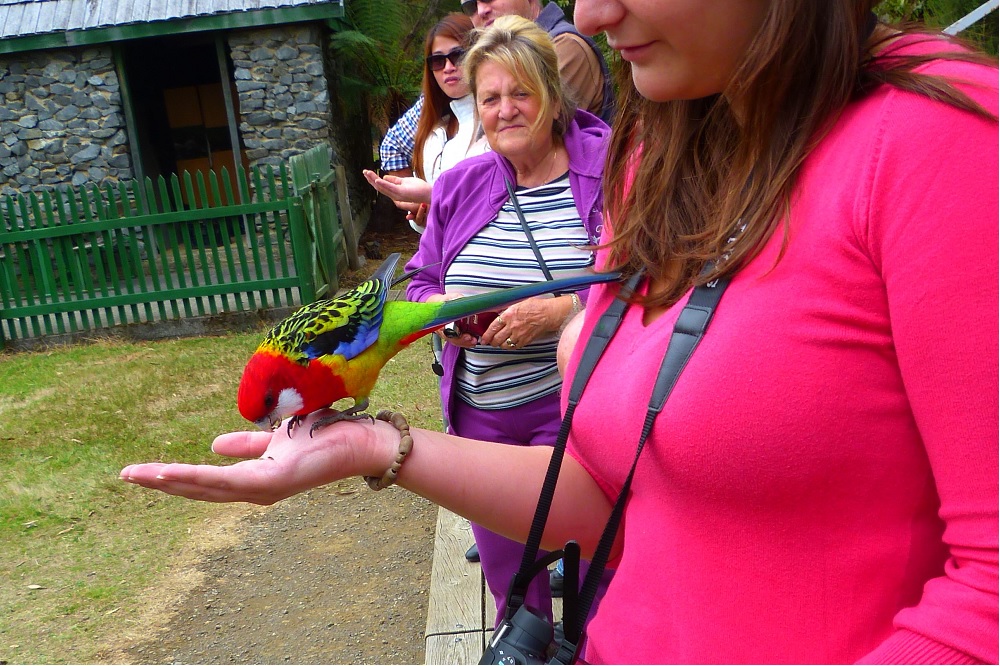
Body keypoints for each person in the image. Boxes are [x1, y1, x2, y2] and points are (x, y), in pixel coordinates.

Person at [120, 1, 998, 663]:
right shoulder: (659, 151)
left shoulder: (943, 144)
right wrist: (371, 448)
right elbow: (617, 492)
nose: (589, 15)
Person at [370, 15, 612, 623]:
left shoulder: (611, 169)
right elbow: (423, 281)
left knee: (601, 587)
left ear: (553, 98)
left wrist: (561, 311)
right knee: (514, 597)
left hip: (579, 416)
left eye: (521, 94)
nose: (506, 110)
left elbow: (645, 276)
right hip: (483, 417)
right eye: (491, 98)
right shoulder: (461, 184)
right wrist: (443, 317)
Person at [378, 0, 613, 182]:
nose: (481, 10)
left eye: (522, 93)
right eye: (471, 5)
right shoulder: (454, 96)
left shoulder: (564, 46)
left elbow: (521, 155)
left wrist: (438, 198)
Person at [363, 13, 486, 233]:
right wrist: (417, 208)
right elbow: (392, 144)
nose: (448, 67)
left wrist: (431, 195)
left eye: (458, 55)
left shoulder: (493, 118)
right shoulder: (432, 120)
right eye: (437, 61)